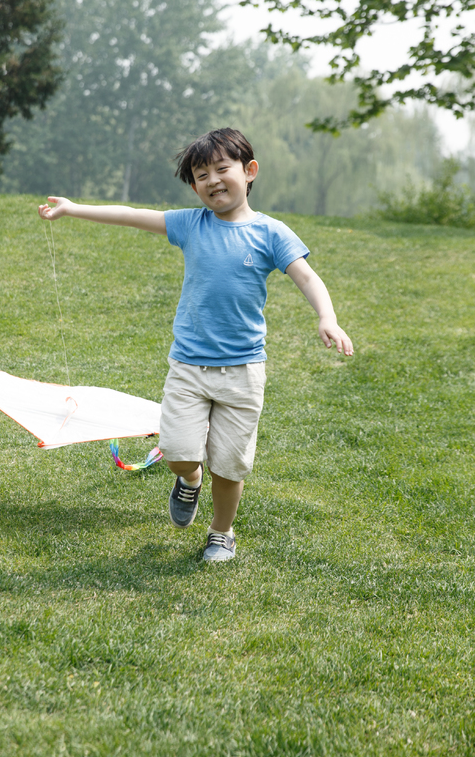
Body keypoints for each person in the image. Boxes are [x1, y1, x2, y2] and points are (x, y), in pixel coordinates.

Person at [38, 128, 353, 562]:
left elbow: (306, 276)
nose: (212, 180)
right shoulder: (191, 224)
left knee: (230, 464)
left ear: (249, 171)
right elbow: (131, 214)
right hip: (188, 367)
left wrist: (327, 316)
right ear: (193, 186)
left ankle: (221, 533)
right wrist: (74, 209)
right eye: (200, 174)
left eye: (222, 169)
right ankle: (189, 482)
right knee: (180, 454)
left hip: (243, 372)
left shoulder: (271, 233)